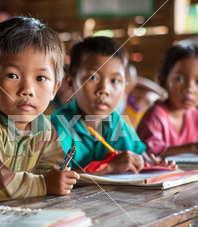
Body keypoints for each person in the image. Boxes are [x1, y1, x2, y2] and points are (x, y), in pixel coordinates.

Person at [0, 17, 79, 202]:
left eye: (41, 78)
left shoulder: (44, 128)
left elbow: (50, 169)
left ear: (55, 89)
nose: (27, 89)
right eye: (12, 75)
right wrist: (43, 185)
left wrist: (58, 179)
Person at [51, 37, 174, 175]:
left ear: (125, 86)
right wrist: (108, 167)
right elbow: (54, 177)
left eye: (115, 80)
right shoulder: (58, 124)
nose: (104, 89)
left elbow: (142, 158)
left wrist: (158, 166)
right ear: (70, 83)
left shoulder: (116, 120)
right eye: (93, 78)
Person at [137, 44, 198, 157]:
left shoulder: (194, 115)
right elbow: (149, 153)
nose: (189, 89)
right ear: (162, 80)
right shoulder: (156, 116)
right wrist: (195, 148)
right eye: (180, 79)